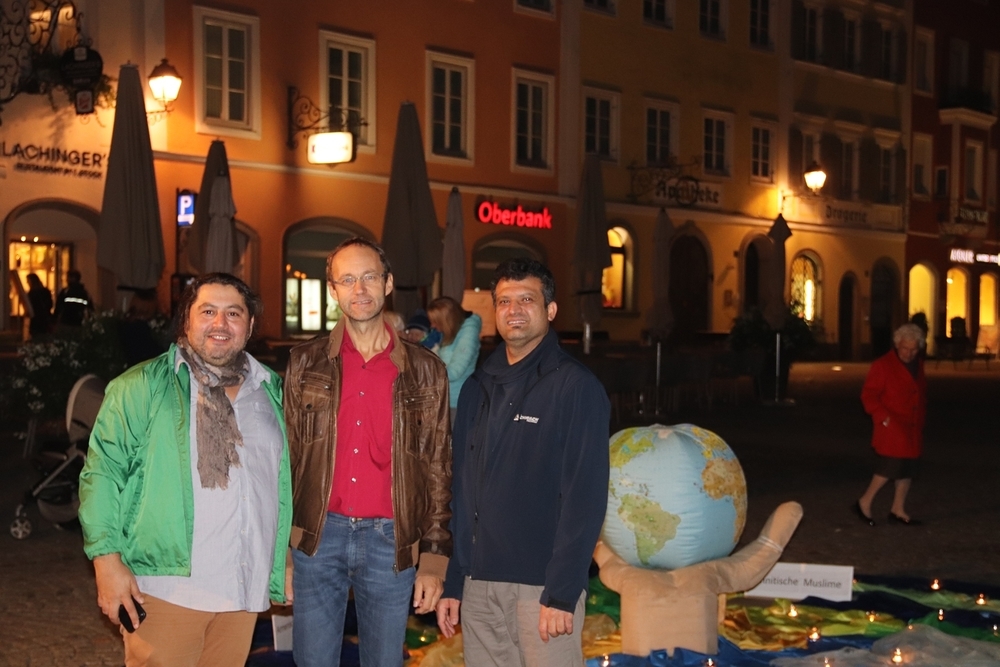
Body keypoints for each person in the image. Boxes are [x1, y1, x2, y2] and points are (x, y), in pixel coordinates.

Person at [78, 273, 293, 667]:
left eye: (233, 313)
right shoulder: (141, 386)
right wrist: (106, 561)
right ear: (186, 321)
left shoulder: (271, 391)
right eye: (208, 311)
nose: (220, 323)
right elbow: (102, 475)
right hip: (166, 588)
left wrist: (285, 555)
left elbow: (276, 485)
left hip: (243, 586)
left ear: (249, 326)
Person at [284, 237, 451, 667]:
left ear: (388, 283)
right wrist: (281, 551)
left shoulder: (427, 370)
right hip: (318, 536)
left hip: (390, 540)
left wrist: (434, 557)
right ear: (333, 290)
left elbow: (438, 466)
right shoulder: (304, 363)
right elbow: (287, 460)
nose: (359, 289)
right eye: (347, 280)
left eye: (369, 277)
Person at [436, 258, 611, 666]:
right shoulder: (478, 387)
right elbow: (462, 491)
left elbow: (585, 498)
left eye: (526, 300)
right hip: (479, 587)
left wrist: (563, 591)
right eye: (504, 301)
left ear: (550, 310)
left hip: (542, 588)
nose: (513, 310)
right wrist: (455, 581)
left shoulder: (575, 387)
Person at [856, 323, 928, 527]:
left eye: (913, 349)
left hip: (912, 424)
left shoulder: (918, 364)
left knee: (908, 469)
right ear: (897, 345)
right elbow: (868, 395)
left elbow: (919, 391)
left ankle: (898, 509)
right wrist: (883, 417)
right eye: (905, 348)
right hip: (892, 424)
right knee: (889, 467)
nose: (909, 353)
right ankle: (865, 501)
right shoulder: (883, 365)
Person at [427, 296, 482, 424]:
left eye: (436, 321)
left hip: (456, 402)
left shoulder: (468, 332)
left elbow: (454, 372)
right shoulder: (450, 332)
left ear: (447, 321)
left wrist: (425, 370)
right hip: (444, 399)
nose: (432, 325)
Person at [25, 273, 53, 338]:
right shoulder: (45, 291)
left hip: (36, 320)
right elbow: (50, 304)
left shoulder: (32, 293)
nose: (27, 283)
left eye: (28, 281)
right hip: (45, 319)